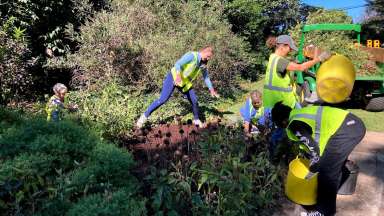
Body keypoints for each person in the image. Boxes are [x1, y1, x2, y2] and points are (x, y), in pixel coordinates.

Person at [271, 102, 366, 216]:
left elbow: (314, 151)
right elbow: (313, 140)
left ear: (283, 121)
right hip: (351, 125)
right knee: (331, 164)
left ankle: (323, 212)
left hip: (346, 130)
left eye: (280, 125)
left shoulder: (294, 124)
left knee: (326, 173)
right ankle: (333, 192)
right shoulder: (299, 114)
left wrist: (312, 170)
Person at [136, 46, 220, 128]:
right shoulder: (192, 55)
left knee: (194, 100)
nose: (208, 59)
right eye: (208, 56)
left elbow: (206, 77)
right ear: (204, 52)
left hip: (184, 82)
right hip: (174, 77)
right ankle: (143, 118)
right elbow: (178, 64)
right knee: (163, 99)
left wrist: (211, 89)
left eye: (210, 58)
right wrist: (178, 76)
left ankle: (196, 119)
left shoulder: (203, 63)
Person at [264, 35, 331, 109]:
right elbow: (301, 67)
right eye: (290, 48)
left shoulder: (273, 58)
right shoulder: (280, 61)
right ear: (282, 46)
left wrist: (294, 62)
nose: (290, 51)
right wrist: (319, 58)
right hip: (282, 102)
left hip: (274, 101)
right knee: (300, 117)